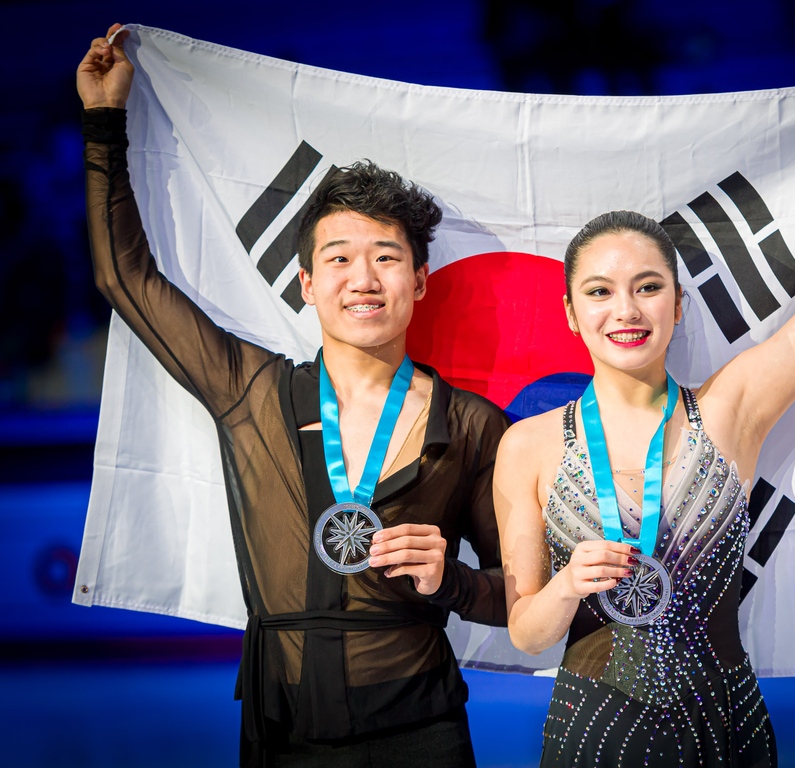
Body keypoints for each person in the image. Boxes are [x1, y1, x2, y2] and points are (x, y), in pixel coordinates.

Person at [493, 54, 795, 767]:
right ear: (570, 313)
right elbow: (527, 633)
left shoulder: (731, 408)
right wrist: (571, 581)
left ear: (677, 303)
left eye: (647, 287)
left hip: (724, 731)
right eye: (599, 292)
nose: (626, 310)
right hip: (590, 736)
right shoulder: (529, 448)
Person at [78, 23, 509, 768]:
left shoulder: (469, 425)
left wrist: (456, 582)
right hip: (280, 734)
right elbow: (127, 280)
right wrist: (103, 124)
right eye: (338, 258)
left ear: (419, 281)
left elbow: (520, 595)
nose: (363, 278)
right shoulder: (253, 391)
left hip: (423, 733)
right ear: (308, 285)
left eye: (386, 258)